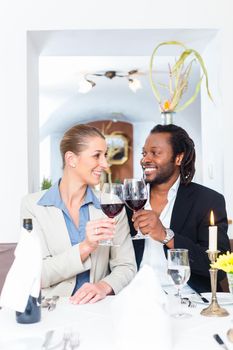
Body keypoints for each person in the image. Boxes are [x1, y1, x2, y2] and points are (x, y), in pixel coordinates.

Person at [21, 124, 136, 304]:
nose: (105, 164)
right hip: (52, 309)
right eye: (97, 155)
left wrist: (103, 286)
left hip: (99, 310)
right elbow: (35, 273)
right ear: (71, 159)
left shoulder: (112, 206)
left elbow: (126, 266)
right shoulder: (33, 206)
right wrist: (85, 247)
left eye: (105, 156)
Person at [128, 124, 230, 293]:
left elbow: (219, 267)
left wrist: (166, 235)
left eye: (155, 153)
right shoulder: (129, 200)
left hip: (189, 299)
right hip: (137, 297)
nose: (145, 159)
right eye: (144, 153)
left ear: (178, 158)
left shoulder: (208, 200)